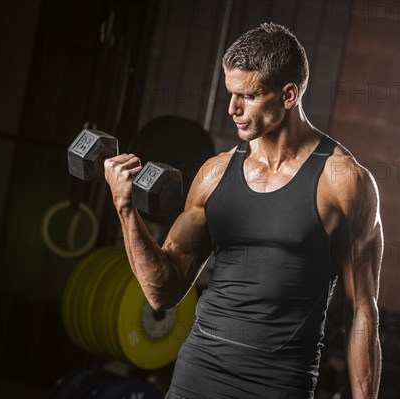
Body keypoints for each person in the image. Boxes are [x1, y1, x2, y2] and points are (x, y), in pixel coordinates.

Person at [104, 22, 382, 399]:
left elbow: (362, 310)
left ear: (288, 95)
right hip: (197, 377)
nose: (233, 108)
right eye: (230, 93)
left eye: (247, 96)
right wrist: (124, 209)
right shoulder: (214, 174)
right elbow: (162, 292)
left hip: (278, 386)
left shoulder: (343, 182)